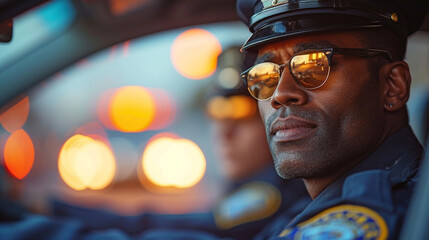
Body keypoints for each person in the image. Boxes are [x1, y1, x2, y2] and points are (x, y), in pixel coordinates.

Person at [49, 46, 310, 240]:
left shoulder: (273, 196)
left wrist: (52, 213)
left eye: (240, 117)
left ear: (272, 118)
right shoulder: (251, 186)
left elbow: (195, 227)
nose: (224, 132)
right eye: (217, 114)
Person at [235, 0, 428, 239]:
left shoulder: (391, 214)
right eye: (263, 75)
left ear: (392, 86)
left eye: (313, 66)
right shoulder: (306, 208)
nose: (280, 94)